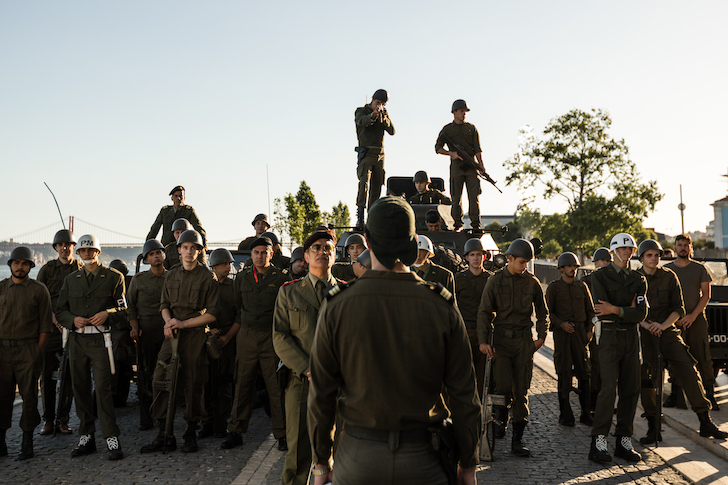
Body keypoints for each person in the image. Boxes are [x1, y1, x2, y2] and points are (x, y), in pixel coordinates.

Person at [308, 196, 481, 485]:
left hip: (357, 459)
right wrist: (468, 462)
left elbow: (321, 395)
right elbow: (464, 395)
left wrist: (321, 463)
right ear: (413, 242)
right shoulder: (440, 305)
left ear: (368, 242)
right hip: (424, 460)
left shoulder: (337, 306)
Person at [635, 239, 726, 444]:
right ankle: (653, 427)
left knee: (689, 369)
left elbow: (679, 309)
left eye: (657, 255)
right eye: (649, 255)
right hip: (645, 333)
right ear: (641, 257)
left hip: (668, 331)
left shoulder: (669, 276)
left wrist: (664, 326)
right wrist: (648, 325)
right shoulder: (634, 279)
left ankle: (705, 420)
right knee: (648, 379)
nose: (654, 258)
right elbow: (631, 308)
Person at [141, 229, 219, 454]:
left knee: (193, 382)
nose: (189, 251)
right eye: (185, 247)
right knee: (161, 379)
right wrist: (168, 322)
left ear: (199, 251)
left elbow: (213, 313)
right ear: (179, 250)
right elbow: (164, 305)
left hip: (194, 335)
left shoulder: (207, 276)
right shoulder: (172, 274)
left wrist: (183, 324)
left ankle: (190, 431)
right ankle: (164, 433)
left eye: (193, 248)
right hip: (172, 334)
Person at [273, 231, 340, 485]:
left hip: (337, 383)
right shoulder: (289, 293)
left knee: (337, 446)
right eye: (317, 247)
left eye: (328, 248)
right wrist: (309, 369)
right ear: (305, 255)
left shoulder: (345, 292)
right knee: (298, 451)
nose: (323, 251)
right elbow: (280, 337)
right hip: (301, 382)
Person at [56, 234, 127, 460]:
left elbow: (124, 310)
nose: (87, 254)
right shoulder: (71, 279)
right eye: (83, 251)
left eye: (91, 250)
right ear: (79, 254)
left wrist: (108, 314)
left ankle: (111, 438)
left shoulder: (114, 277)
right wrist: (71, 320)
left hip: (100, 341)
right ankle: (86, 436)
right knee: (80, 388)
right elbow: (61, 310)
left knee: (103, 389)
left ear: (98, 252)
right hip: (77, 341)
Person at [477, 238, 548, 457]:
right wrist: (483, 341)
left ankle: (517, 440)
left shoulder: (532, 283)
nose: (524, 266)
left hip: (524, 342)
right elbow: (484, 312)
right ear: (509, 259)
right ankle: (501, 418)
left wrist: (542, 337)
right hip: (502, 341)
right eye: (521, 262)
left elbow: (543, 312)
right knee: (503, 386)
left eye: (527, 262)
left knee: (521, 390)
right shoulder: (495, 281)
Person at [222, 237, 287, 451]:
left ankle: (282, 434)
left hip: (270, 337)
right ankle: (236, 431)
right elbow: (238, 307)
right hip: (247, 336)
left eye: (264, 252)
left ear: (272, 254)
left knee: (275, 388)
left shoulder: (280, 279)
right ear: (251, 255)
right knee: (242, 383)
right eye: (256, 252)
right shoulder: (242, 278)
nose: (259, 256)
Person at [587, 233, 647, 464]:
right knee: (608, 388)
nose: (627, 252)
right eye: (622, 249)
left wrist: (617, 309)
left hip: (631, 337)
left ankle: (624, 438)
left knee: (631, 388)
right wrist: (623, 309)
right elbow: (601, 307)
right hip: (609, 336)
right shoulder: (599, 276)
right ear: (613, 252)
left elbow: (642, 313)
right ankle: (598, 439)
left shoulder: (638, 279)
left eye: (630, 248)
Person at [0, 247, 52, 460]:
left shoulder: (39, 290)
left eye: (24, 263)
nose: (19, 267)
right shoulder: (1, 288)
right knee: (2, 397)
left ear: (30, 266)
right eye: (16, 263)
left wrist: (36, 353)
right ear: (10, 264)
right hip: (2, 350)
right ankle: (1, 442)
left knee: (29, 397)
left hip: (28, 349)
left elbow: (45, 325)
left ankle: (27, 441)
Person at [665, 234, 718, 410]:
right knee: (676, 357)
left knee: (702, 357)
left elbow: (706, 295)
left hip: (696, 320)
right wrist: (676, 317)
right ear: (675, 247)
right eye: (679, 245)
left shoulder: (699, 269)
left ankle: (709, 395)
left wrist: (692, 316)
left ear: (690, 248)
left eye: (685, 245)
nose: (682, 248)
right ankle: (676, 395)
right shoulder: (667, 270)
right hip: (675, 321)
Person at [36, 229, 81, 436]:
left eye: (68, 244)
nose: (65, 248)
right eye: (61, 245)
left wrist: (71, 322)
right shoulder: (46, 270)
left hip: (73, 330)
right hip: (51, 330)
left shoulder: (81, 268)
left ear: (73, 247)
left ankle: (63, 420)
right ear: (55, 248)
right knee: (48, 376)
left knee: (69, 376)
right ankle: (48, 420)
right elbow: (39, 299)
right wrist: (55, 320)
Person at [545, 252, 595, 427]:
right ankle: (565, 413)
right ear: (561, 268)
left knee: (584, 373)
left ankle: (585, 412)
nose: (573, 269)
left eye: (575, 266)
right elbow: (547, 312)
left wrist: (590, 331)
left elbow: (591, 311)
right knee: (564, 373)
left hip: (580, 334)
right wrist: (560, 324)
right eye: (569, 266)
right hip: (562, 335)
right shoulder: (554, 288)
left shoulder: (581, 287)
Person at [127, 239, 167, 431]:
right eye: (152, 254)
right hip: (146, 329)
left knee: (167, 372)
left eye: (159, 252)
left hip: (167, 329)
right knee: (146, 373)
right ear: (146, 259)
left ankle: (165, 414)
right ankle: (147, 415)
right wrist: (134, 327)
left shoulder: (172, 277)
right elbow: (131, 307)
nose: (156, 256)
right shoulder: (138, 280)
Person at [201, 249, 240, 439]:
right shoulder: (206, 285)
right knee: (206, 382)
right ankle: (207, 422)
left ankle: (223, 422)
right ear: (214, 266)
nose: (228, 267)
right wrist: (209, 329)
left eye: (229, 263)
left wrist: (228, 336)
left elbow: (239, 315)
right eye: (224, 264)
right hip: (207, 338)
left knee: (225, 382)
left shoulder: (234, 287)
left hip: (227, 338)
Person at [435, 99, 484, 231]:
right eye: (462, 111)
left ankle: (476, 224)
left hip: (471, 167)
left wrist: (481, 166)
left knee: (474, 197)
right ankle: (457, 223)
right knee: (456, 197)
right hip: (457, 167)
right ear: (454, 112)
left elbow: (478, 149)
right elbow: (438, 148)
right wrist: (451, 153)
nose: (464, 114)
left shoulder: (471, 128)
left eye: (465, 112)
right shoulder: (447, 130)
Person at [454, 238, 492, 398]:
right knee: (465, 375)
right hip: (465, 332)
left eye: (478, 254)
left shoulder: (491, 279)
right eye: (472, 255)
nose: (475, 258)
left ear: (484, 256)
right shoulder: (459, 279)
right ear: (466, 257)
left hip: (486, 332)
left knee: (486, 377)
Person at [354, 89, 395, 227]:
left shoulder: (384, 114)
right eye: (378, 102)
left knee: (377, 186)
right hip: (367, 153)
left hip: (380, 154)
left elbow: (392, 131)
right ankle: (360, 215)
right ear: (372, 100)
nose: (380, 105)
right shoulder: (361, 111)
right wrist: (373, 115)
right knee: (364, 183)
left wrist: (384, 119)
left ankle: (372, 217)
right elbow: (362, 121)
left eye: (382, 104)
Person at [582, 247, 611, 413]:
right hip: (591, 328)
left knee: (606, 367)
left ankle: (604, 402)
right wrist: (588, 327)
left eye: (607, 261)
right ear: (595, 262)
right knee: (593, 367)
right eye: (602, 261)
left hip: (608, 328)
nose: (604, 264)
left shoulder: (613, 281)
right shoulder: (586, 281)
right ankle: (592, 403)